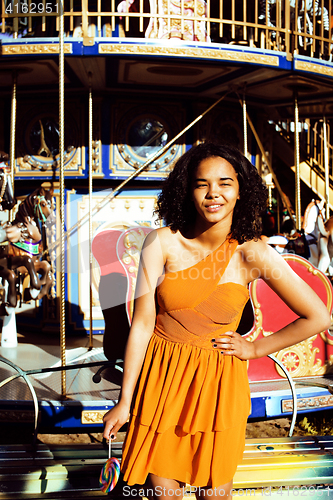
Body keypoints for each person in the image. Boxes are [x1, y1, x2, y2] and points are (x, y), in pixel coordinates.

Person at [103, 142, 331, 499]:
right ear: (187, 190)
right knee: (165, 495)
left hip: (219, 382)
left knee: (214, 495)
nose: (214, 193)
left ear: (241, 190)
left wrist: (256, 348)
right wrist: (125, 399)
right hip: (162, 377)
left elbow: (318, 315)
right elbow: (143, 323)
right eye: (201, 183)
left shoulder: (251, 252)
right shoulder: (160, 243)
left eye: (225, 183)